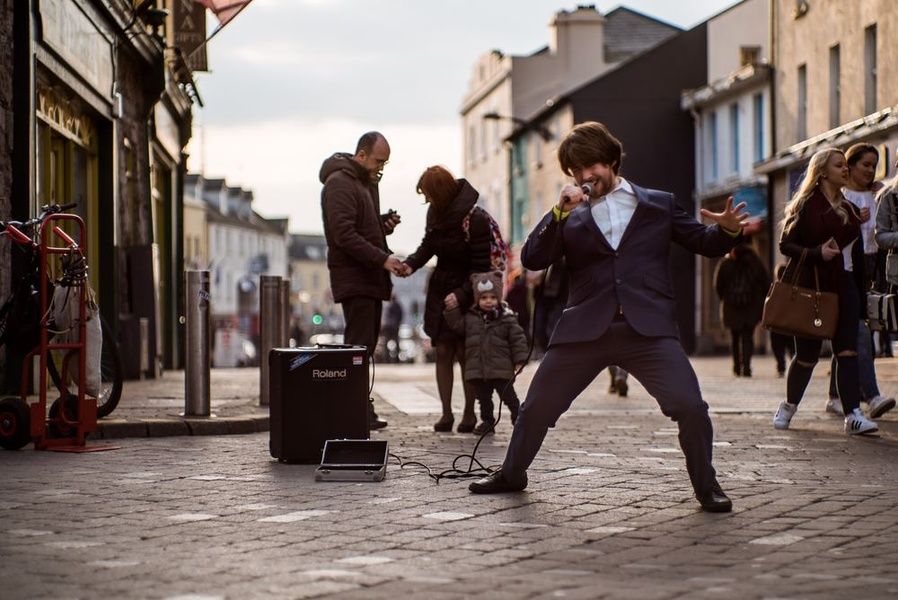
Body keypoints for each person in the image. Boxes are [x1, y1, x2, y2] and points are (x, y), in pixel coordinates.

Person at [469, 121, 744, 513]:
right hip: (585, 328)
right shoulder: (571, 215)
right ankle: (513, 473)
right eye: (576, 171)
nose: (584, 176)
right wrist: (558, 213)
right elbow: (532, 258)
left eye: (591, 166)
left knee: (690, 407)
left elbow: (703, 241)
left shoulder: (658, 203)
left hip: (647, 329)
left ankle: (707, 487)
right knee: (535, 409)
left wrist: (729, 233)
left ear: (612, 160)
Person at [771, 147, 879, 435]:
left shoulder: (851, 210)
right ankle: (789, 405)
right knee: (806, 354)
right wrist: (817, 252)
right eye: (839, 165)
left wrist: (862, 293)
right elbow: (786, 245)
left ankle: (853, 414)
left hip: (845, 285)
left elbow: (855, 256)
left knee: (847, 351)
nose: (846, 170)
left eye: (846, 165)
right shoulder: (806, 204)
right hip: (813, 285)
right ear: (822, 172)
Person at [319, 131, 404, 430]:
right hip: (356, 277)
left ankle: (357, 406)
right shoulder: (340, 183)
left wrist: (383, 226)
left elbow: (360, 228)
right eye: (378, 161)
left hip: (367, 277)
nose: (380, 168)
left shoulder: (361, 183)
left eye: (385, 163)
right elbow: (344, 235)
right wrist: (382, 259)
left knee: (363, 347)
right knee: (357, 347)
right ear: (362, 155)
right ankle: (352, 408)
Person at [400, 165, 492, 433]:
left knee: (465, 353)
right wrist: (410, 265)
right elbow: (428, 245)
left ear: (439, 192)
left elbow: (481, 266)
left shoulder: (475, 218)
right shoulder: (435, 212)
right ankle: (446, 414)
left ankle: (469, 414)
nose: (426, 201)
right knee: (442, 351)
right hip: (441, 289)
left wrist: (462, 295)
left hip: (467, 290)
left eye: (428, 194)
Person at [824, 144, 895, 419]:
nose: (870, 170)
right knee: (860, 332)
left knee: (851, 334)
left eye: (874, 165)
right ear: (849, 166)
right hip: (846, 268)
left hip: (873, 268)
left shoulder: (880, 194)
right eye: (864, 164)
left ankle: (835, 396)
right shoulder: (839, 195)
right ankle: (872, 396)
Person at [444, 271, 529, 435]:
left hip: (501, 368)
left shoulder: (506, 318)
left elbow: (518, 339)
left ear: (499, 298)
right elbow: (458, 327)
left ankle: (518, 418)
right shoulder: (471, 317)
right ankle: (487, 422)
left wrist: (520, 360)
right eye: (483, 298)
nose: (488, 301)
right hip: (479, 369)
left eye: (492, 297)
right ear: (477, 299)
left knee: (509, 397)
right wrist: (452, 311)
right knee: (483, 399)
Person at [713, 243, 770, 378]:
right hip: (751, 306)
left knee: (734, 336)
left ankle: (737, 367)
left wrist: (725, 299)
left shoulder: (725, 264)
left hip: (731, 306)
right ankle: (747, 368)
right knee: (748, 337)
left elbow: (718, 285)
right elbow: (765, 283)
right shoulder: (755, 262)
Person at [769, 262, 795, 377]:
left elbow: (769, 305)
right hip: (790, 324)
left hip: (777, 325)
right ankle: (794, 367)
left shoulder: (774, 288)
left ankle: (781, 367)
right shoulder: (794, 288)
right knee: (792, 348)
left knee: (778, 348)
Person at [382, 295, 404, 363]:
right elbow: (401, 315)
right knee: (396, 342)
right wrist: (398, 323)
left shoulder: (388, 306)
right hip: (394, 326)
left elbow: (385, 317)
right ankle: (396, 359)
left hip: (388, 327)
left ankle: (386, 359)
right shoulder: (398, 306)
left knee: (386, 343)